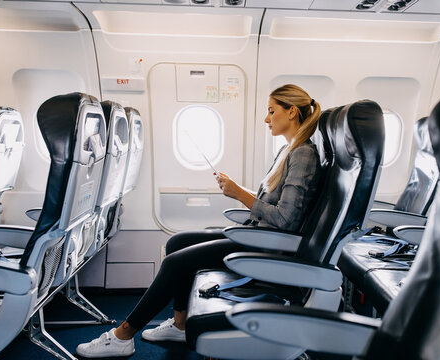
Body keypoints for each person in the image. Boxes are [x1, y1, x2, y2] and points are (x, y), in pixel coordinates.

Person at [76, 84, 322, 358]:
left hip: (267, 247)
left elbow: (286, 219)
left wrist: (239, 194)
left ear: (291, 112)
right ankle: (180, 326)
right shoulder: (288, 150)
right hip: (257, 234)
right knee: (177, 242)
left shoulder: (303, 154)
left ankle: (123, 335)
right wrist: (236, 187)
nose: (266, 118)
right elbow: (275, 201)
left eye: (271, 111)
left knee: (174, 263)